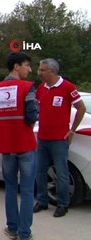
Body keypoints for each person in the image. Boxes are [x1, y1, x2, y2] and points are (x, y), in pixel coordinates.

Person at [0, 52, 38, 240]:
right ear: (16, 66)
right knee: (26, 190)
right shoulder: (28, 87)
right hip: (25, 145)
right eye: (27, 65)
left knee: (10, 187)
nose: (30, 69)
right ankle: (25, 233)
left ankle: (12, 228)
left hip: (6, 147)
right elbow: (32, 115)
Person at [34, 58, 86, 218]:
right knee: (40, 171)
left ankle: (63, 204)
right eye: (39, 69)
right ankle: (42, 201)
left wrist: (72, 131)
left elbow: (81, 108)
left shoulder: (67, 87)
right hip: (42, 138)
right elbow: (37, 109)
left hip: (59, 139)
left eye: (42, 70)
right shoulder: (41, 88)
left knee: (62, 173)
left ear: (52, 71)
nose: (39, 72)